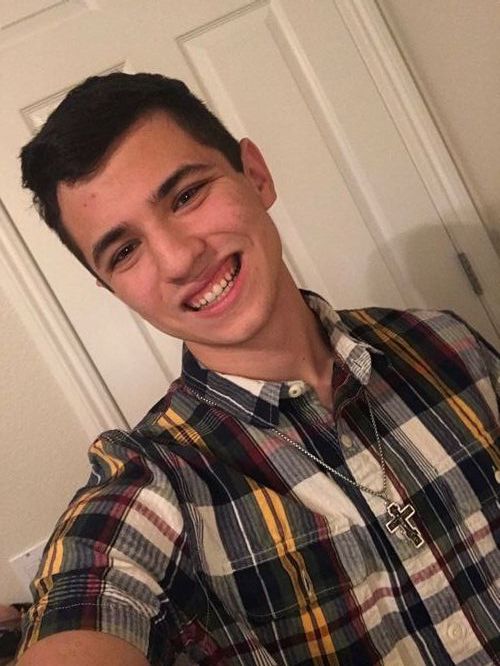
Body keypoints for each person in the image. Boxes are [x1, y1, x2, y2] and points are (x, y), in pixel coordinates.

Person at [16, 72, 499, 666]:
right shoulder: (156, 484)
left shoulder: (448, 343)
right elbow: (93, 591)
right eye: (125, 251)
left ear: (256, 175)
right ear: (113, 288)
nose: (178, 258)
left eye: (186, 196)